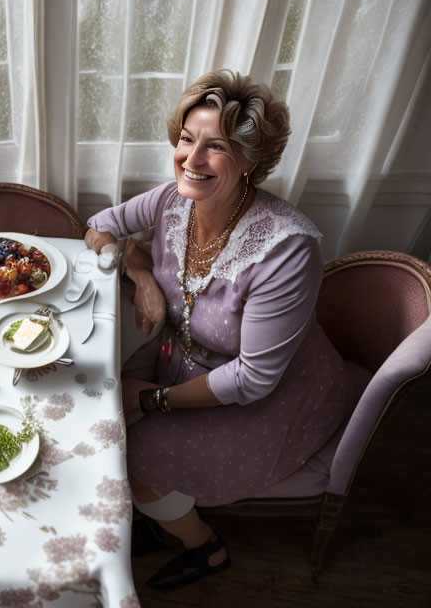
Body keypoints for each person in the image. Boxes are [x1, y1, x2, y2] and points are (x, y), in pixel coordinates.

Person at [85, 70, 354, 590]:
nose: (191, 158)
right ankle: (163, 515)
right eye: (187, 139)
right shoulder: (171, 201)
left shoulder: (287, 251)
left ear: (251, 162)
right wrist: (141, 273)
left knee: (132, 450)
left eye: (217, 147)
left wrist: (150, 400)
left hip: (275, 396)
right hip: (193, 360)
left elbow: (254, 378)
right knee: (101, 412)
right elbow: (100, 225)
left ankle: (204, 545)